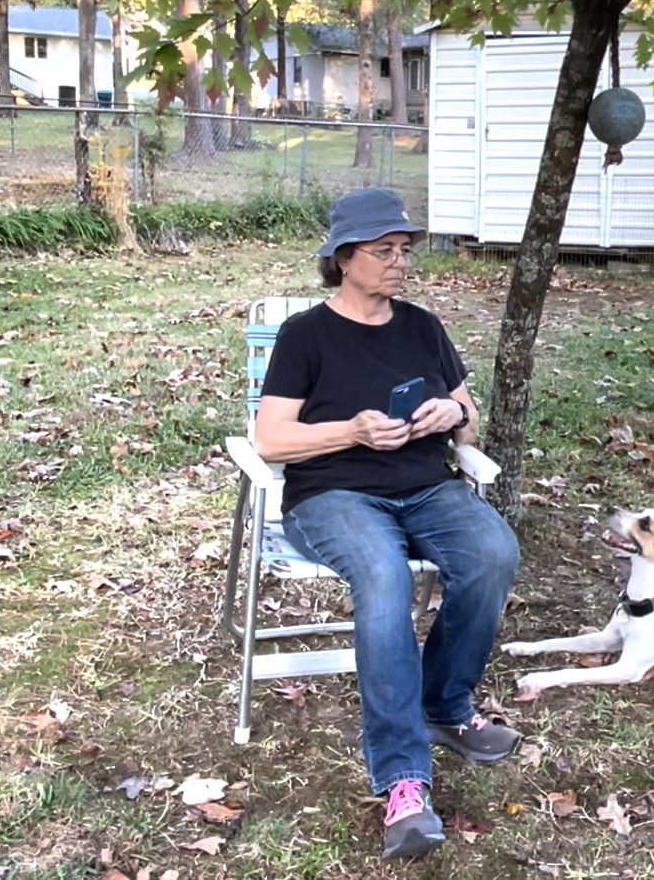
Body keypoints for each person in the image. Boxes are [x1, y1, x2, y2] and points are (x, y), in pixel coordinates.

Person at [253, 187, 521, 860]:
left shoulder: (422, 327)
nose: (400, 261)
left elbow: (468, 413)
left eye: (405, 250)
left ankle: (445, 704)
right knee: (381, 576)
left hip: (427, 487)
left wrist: (452, 418)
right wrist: (349, 431)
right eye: (384, 251)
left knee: (492, 553)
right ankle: (403, 780)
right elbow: (271, 440)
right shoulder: (304, 335)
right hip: (334, 497)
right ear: (344, 259)